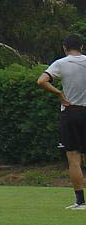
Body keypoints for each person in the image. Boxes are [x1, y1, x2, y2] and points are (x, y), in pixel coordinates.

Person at [37, 34, 86, 211]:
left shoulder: (61, 63)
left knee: (74, 159)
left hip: (71, 111)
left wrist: (58, 93)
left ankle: (80, 201)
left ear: (64, 48)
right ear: (82, 46)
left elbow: (41, 81)